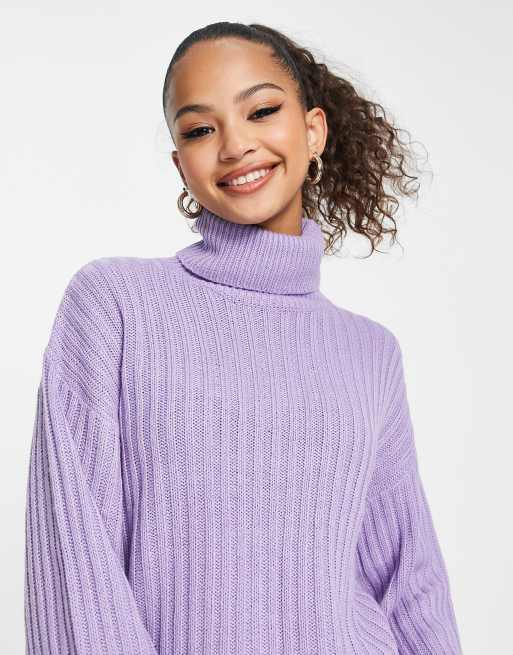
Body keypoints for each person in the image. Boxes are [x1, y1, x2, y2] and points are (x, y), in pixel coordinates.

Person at [24, 21, 463, 655]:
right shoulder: (115, 306)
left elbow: (409, 578)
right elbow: (75, 561)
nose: (234, 145)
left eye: (261, 111)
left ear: (313, 131)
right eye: (200, 130)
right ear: (180, 163)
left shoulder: (370, 352)